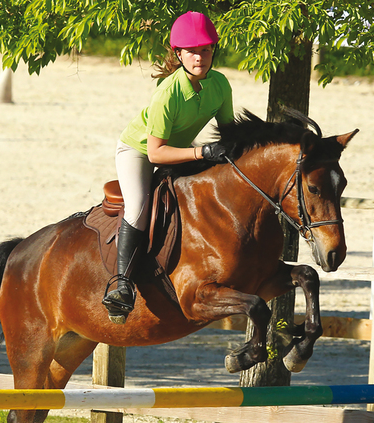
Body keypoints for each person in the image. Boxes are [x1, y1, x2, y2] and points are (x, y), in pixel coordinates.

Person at [102, 11, 235, 324]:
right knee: (138, 207)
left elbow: (231, 134)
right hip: (139, 151)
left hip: (180, 150)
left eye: (205, 50)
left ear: (213, 51)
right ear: (179, 54)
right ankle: (122, 286)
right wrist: (202, 151)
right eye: (192, 51)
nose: (199, 57)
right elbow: (156, 153)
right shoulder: (168, 93)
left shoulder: (220, 84)